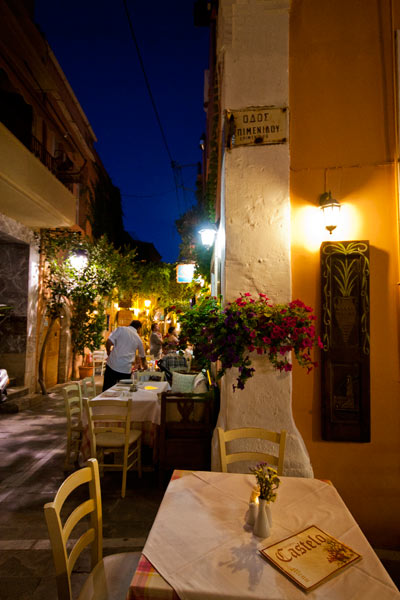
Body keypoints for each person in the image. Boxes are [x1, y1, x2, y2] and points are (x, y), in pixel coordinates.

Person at [102, 320, 147, 391]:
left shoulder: (121, 329)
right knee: (124, 391)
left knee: (107, 389)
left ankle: (105, 401)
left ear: (130, 324)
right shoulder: (138, 339)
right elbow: (143, 356)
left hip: (112, 365)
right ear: (139, 328)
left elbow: (108, 342)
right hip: (125, 369)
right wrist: (145, 366)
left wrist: (108, 352)